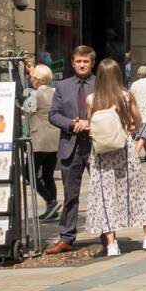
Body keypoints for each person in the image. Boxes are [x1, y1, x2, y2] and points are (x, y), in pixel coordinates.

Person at [84, 57, 146, 256]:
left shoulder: (92, 99)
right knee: (136, 191)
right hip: (124, 150)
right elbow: (139, 122)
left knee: (105, 196)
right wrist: (129, 126)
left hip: (101, 155)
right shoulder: (125, 96)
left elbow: (91, 125)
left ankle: (112, 243)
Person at [45, 46, 98, 254]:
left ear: (92, 63)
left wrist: (90, 123)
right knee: (70, 195)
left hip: (96, 146)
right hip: (70, 146)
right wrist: (70, 124)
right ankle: (66, 237)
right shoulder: (62, 86)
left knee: (101, 192)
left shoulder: (100, 85)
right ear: (73, 62)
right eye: (78, 61)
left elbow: (110, 111)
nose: (82, 65)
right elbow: (53, 114)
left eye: (86, 61)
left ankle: (107, 234)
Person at [22, 64, 60, 221]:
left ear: (37, 80)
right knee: (48, 174)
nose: (31, 81)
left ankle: (51, 202)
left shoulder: (35, 95)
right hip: (55, 139)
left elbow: (26, 111)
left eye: (32, 78)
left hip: (40, 140)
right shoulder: (55, 92)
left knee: (28, 173)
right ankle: (53, 211)